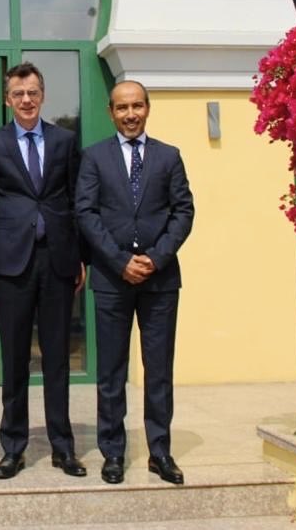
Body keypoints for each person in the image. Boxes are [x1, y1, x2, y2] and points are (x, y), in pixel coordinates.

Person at [75, 80, 194, 485]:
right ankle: (113, 453)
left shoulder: (169, 156)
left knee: (158, 371)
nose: (130, 114)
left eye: (137, 106)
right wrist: (120, 260)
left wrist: (157, 258)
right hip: (112, 279)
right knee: (111, 372)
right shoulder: (93, 158)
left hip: (160, 282)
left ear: (147, 108)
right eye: (122, 108)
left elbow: (184, 212)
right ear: (111, 112)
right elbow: (86, 214)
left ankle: (160, 452)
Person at [0, 62, 87, 480]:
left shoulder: (64, 141)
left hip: (57, 261)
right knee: (16, 360)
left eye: (33, 93)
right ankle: (14, 447)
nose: (26, 100)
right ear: (8, 99)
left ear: (43, 96)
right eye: (19, 94)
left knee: (58, 358)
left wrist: (79, 257)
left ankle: (63, 447)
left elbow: (76, 203)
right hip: (11, 266)